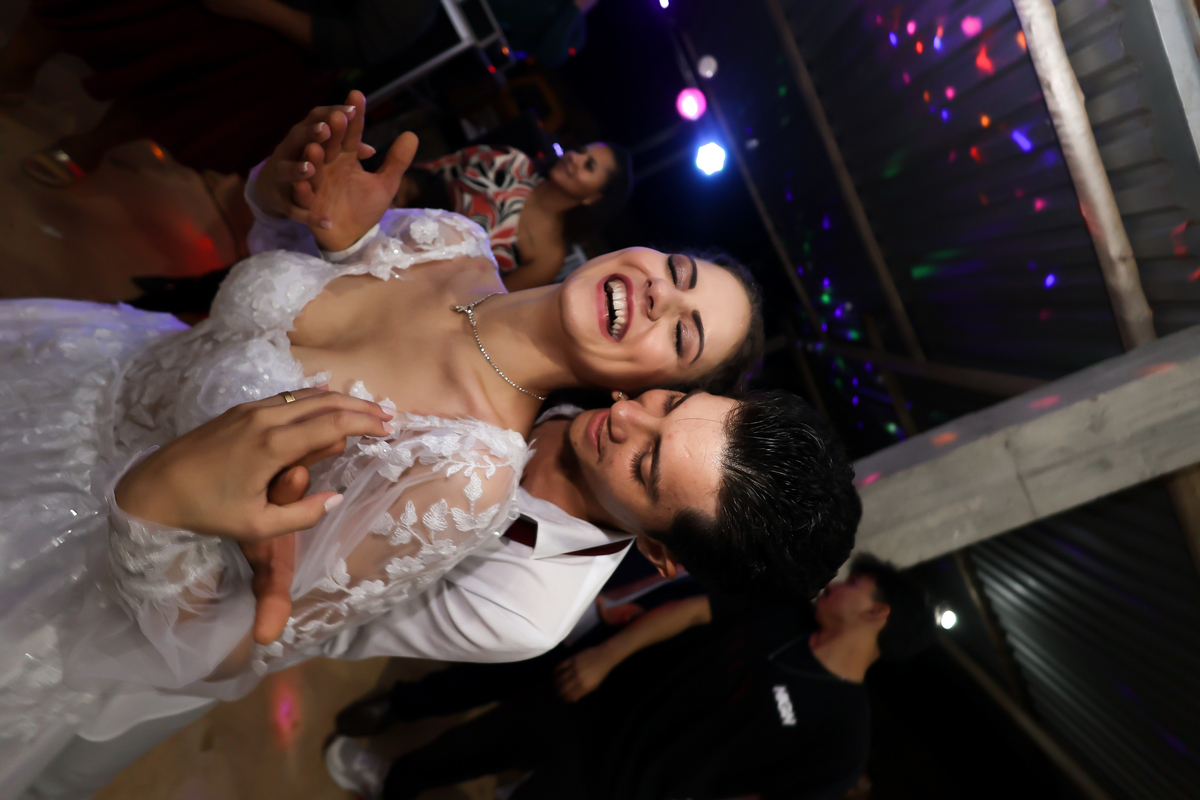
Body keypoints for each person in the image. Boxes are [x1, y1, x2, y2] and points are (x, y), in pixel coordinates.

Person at [0, 90, 764, 793]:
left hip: (70, 550)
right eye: (678, 271)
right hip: (81, 366)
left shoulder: (465, 473)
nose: (662, 294)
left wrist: (157, 514)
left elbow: (233, 639)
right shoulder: (451, 239)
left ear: (653, 378)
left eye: (683, 333)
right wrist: (284, 197)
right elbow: (268, 276)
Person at [23, 385, 860, 799]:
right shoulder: (585, 363)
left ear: (659, 552)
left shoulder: (528, 610)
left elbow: (292, 630)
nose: (623, 415)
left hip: (175, 594)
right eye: (668, 402)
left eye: (645, 463)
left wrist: (163, 514)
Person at [326, 555, 933, 800]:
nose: (837, 585)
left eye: (854, 585)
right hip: (591, 701)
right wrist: (605, 658)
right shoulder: (786, 611)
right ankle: (388, 779)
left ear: (875, 614)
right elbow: (689, 611)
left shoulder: (844, 736)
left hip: (623, 788)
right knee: (468, 746)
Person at [0, 0, 439, 185]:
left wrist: (255, 7)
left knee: (204, 84)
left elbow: (361, 44)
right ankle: (14, 70)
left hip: (280, 33)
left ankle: (94, 143)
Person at [399, 140, 634, 288]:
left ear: (593, 198)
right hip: (396, 223)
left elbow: (488, 305)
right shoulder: (509, 161)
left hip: (425, 287)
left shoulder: (548, 258)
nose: (575, 157)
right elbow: (427, 171)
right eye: (580, 151)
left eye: (588, 165)